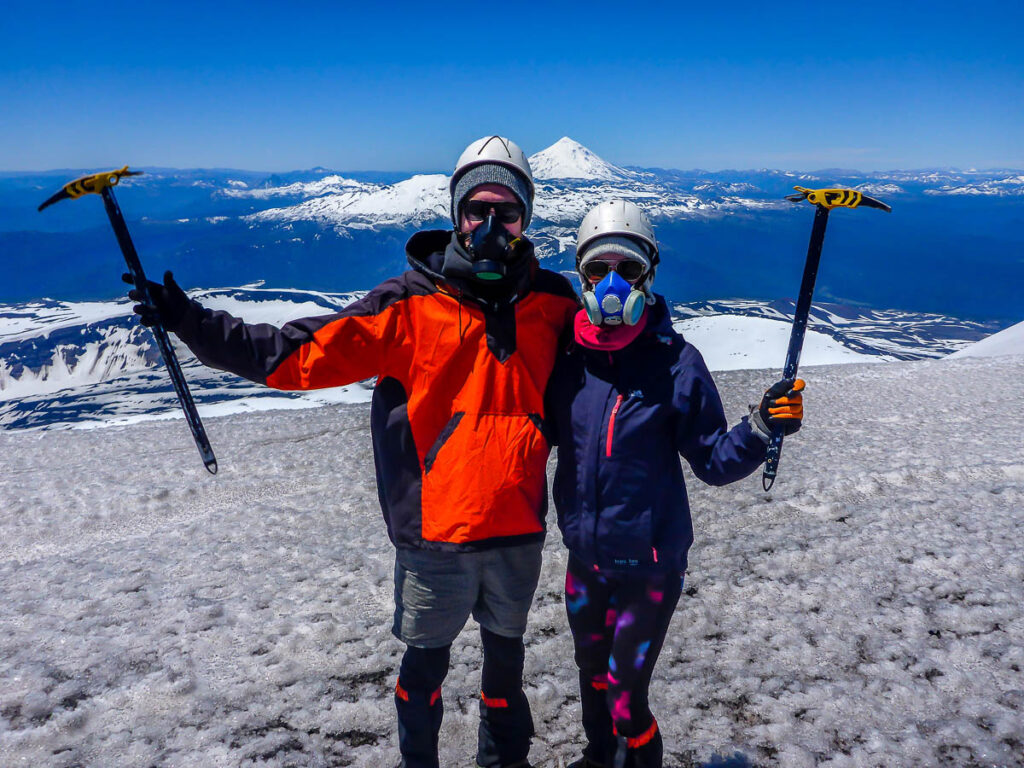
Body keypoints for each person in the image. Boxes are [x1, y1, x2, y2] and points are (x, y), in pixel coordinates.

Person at [124, 136, 579, 768]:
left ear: (526, 216)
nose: (492, 226)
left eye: (507, 211)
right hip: (435, 535)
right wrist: (188, 320)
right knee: (425, 670)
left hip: (518, 527)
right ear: (456, 214)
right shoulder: (408, 308)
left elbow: (605, 372)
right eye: (478, 210)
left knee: (507, 670)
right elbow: (295, 356)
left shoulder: (555, 304)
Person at [545, 200, 805, 768]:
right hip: (584, 561)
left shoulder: (677, 364)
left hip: (650, 567)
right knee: (591, 678)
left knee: (625, 696)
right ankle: (598, 758)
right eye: (597, 268)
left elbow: (712, 459)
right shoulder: (567, 361)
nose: (612, 283)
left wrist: (761, 427)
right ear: (580, 273)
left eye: (628, 268)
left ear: (649, 274)